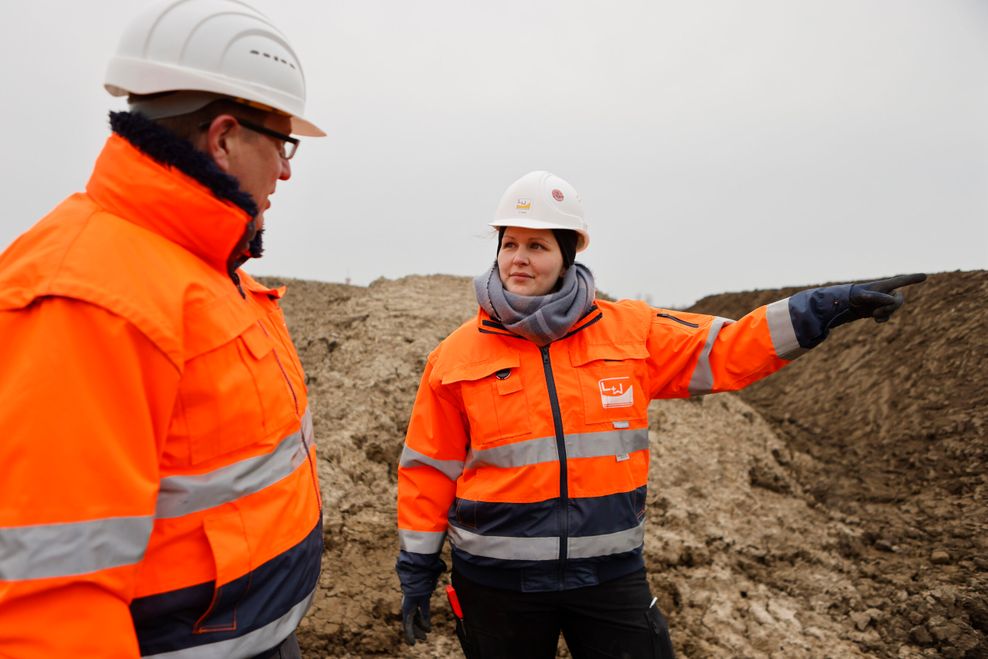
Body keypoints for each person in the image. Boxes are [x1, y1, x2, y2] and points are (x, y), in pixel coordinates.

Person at [395, 170, 925, 658]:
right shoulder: (455, 356)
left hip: (609, 577)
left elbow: (729, 349)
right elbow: (428, 467)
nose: (519, 258)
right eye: (510, 244)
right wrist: (417, 565)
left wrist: (820, 308)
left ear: (568, 253)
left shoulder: (632, 330)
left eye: (537, 245)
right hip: (495, 583)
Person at [0, 1, 325, 657]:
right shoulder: (88, 299)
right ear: (225, 137)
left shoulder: (204, 264)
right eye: (281, 144)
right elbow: (50, 601)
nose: (287, 171)